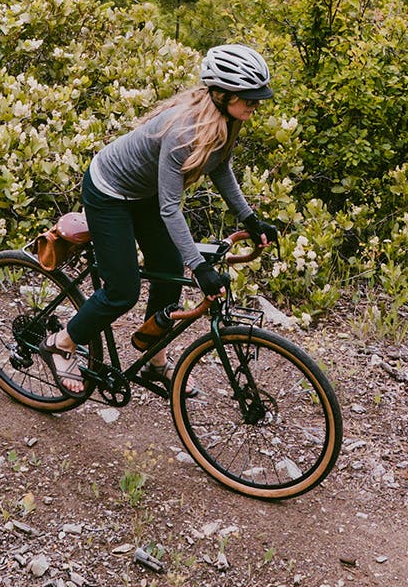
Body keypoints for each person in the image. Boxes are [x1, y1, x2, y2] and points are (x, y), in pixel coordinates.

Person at [47, 43, 282, 394]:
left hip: (143, 194)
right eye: (247, 97)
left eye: (256, 97)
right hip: (108, 192)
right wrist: (198, 267)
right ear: (219, 93)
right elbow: (170, 207)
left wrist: (248, 218)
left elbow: (221, 168)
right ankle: (61, 343)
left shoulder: (227, 119)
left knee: (170, 274)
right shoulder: (183, 131)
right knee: (122, 292)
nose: (254, 104)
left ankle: (154, 360)